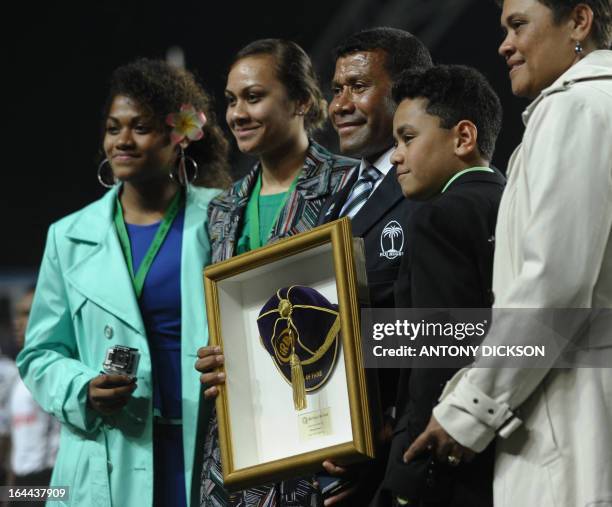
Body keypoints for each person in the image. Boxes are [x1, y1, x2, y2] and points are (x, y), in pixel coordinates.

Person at [403, 2, 612, 506]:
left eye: (519, 25)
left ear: (579, 22)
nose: (504, 44)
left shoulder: (576, 108)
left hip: (573, 430)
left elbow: (553, 286)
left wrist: (466, 412)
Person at [17, 58, 231, 507]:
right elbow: (39, 354)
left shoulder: (223, 215)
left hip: (207, 447)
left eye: (141, 127)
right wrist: (82, 389)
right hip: (107, 453)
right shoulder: (68, 236)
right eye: (114, 128)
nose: (123, 141)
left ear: (179, 137)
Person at [195, 39, 357, 507]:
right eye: (230, 100)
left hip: (324, 442)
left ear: (302, 101)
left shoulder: (350, 185)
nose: (237, 114)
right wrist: (217, 355)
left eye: (254, 97)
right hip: (239, 445)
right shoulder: (224, 208)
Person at [315, 27, 433, 506]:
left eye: (358, 87)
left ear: (404, 94)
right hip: (332, 460)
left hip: (396, 463)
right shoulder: (336, 196)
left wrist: (380, 427)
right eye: (336, 89)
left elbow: (445, 329)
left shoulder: (429, 189)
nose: (339, 104)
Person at [381, 64, 505, 507]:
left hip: (446, 469)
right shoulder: (513, 201)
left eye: (407, 138)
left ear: (463, 138)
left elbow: (439, 356)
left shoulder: (437, 217)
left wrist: (408, 480)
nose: (395, 155)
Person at [8, 287, 60, 506]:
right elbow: (17, 439)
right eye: (18, 313)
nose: (18, 322)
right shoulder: (16, 374)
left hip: (49, 482)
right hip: (22, 483)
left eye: (28, 313)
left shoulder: (58, 370)